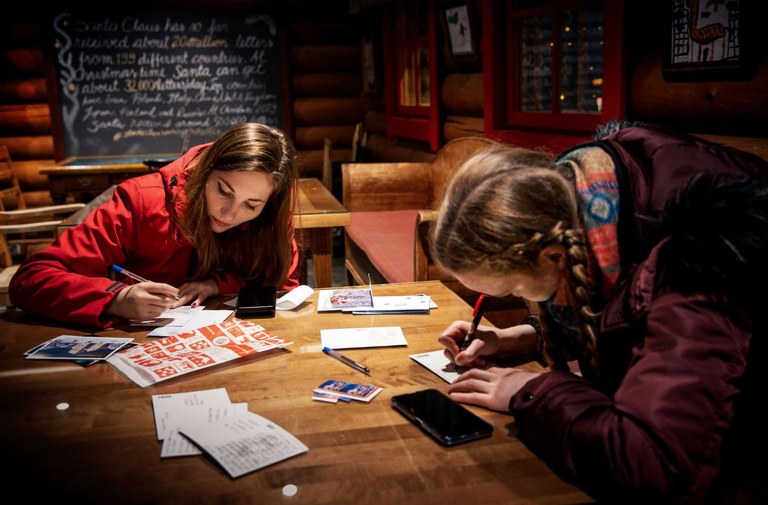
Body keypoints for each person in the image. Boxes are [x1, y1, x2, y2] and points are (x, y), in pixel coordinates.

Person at [431, 121, 768, 504]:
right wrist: (521, 337)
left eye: (511, 289)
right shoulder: (590, 191)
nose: (514, 296)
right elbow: (626, 313)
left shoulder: (697, 261)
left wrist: (531, 392)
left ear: (554, 256)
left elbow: (654, 465)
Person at [9, 122, 300, 328]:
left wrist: (216, 283)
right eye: (223, 191)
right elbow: (30, 280)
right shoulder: (141, 200)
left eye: (251, 205)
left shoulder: (270, 214)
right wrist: (115, 298)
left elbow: (279, 285)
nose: (230, 213)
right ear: (203, 172)